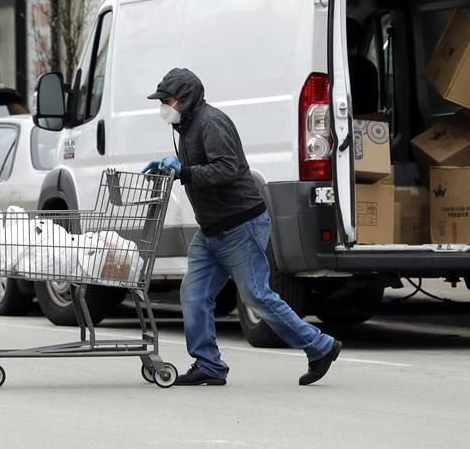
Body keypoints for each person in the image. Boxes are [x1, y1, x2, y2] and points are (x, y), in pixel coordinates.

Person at [142, 67, 341, 386]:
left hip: (240, 225)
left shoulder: (211, 123)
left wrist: (185, 172)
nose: (164, 107)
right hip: (211, 230)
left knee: (256, 295)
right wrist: (172, 168)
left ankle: (320, 346)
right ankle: (208, 364)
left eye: (168, 100)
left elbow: (227, 169)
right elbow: (201, 167)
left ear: (186, 99)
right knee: (194, 294)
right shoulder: (188, 126)